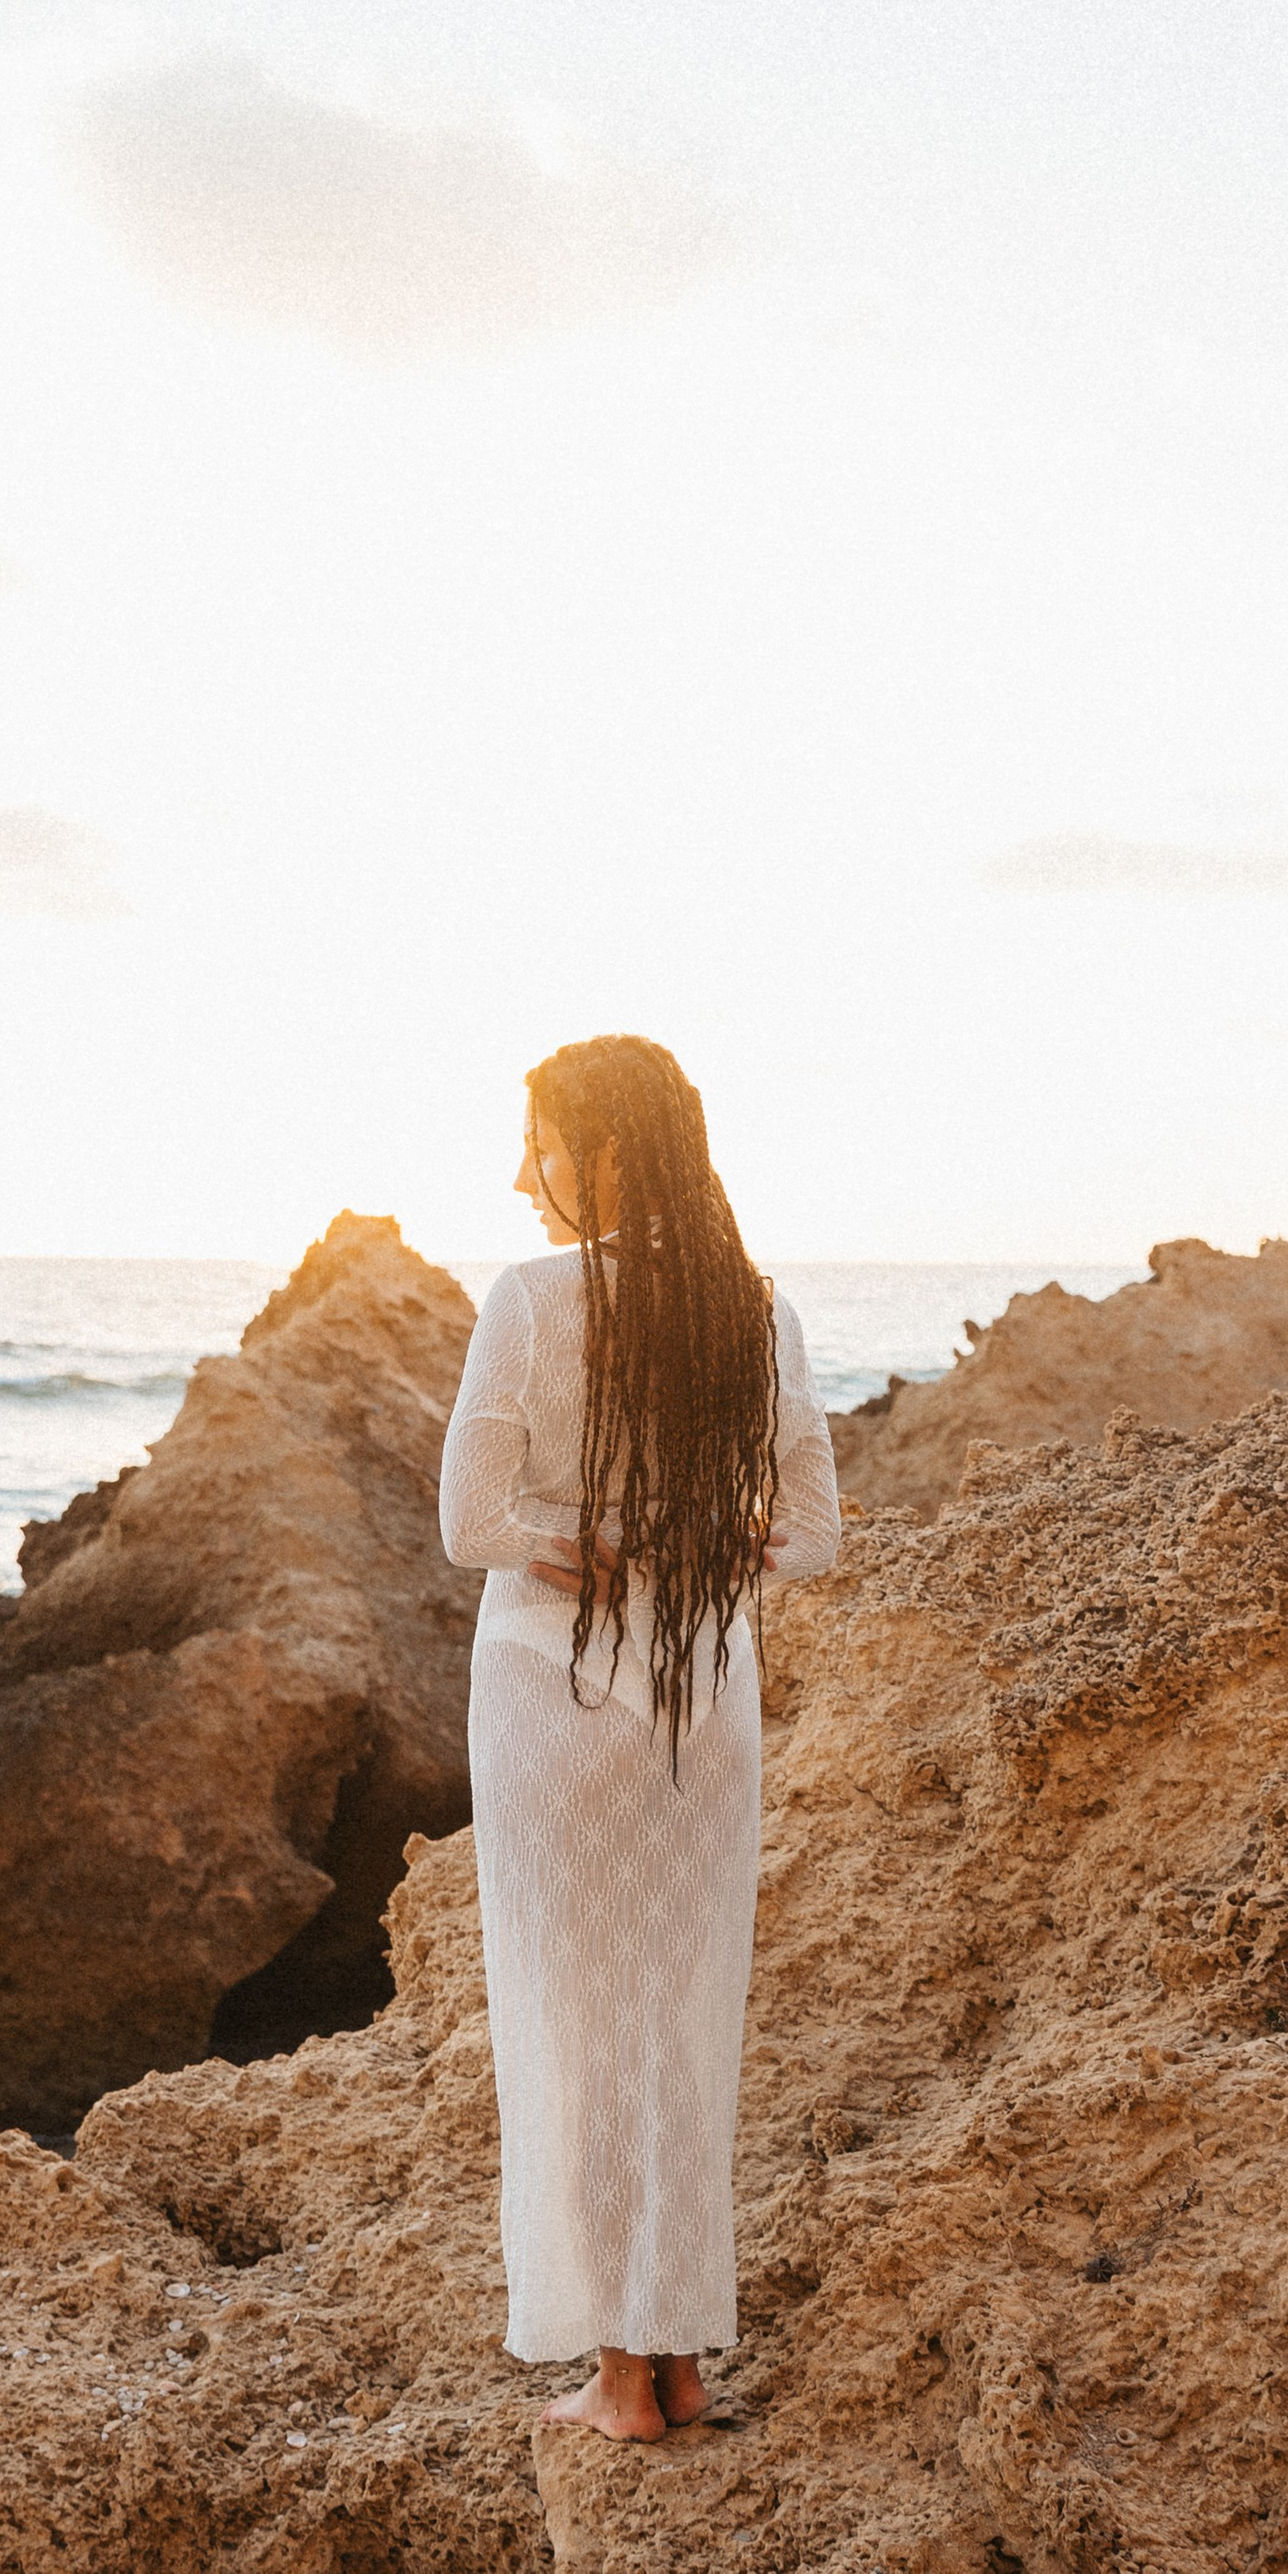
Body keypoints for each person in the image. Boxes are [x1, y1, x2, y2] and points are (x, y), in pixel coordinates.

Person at [437, 1033, 842, 2441]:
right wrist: (682, 1545)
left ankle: (618, 2380)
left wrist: (585, 1539)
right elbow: (814, 1534)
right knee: (681, 2022)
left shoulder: (538, 1298)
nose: (522, 1174)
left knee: (571, 2026)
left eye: (539, 1139)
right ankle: (677, 2363)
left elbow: (468, 1520)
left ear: (601, 1148)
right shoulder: (755, 1309)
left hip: (555, 1697)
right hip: (700, 1703)